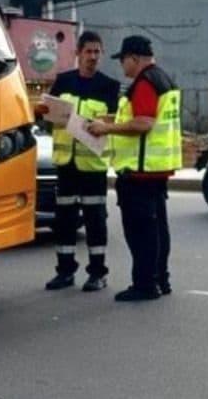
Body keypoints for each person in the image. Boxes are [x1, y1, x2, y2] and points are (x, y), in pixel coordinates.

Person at [86, 35, 182, 302]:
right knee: (157, 228)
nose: (122, 67)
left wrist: (107, 128)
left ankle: (144, 284)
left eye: (123, 61)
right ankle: (161, 279)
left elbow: (144, 123)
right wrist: (110, 120)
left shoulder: (144, 83)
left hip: (140, 170)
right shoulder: (163, 79)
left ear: (134, 58)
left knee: (141, 231)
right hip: (155, 169)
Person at [36, 31, 121, 292]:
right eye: (89, 52)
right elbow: (49, 119)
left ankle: (97, 273)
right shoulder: (63, 81)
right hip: (66, 164)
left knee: (95, 220)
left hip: (92, 165)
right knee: (65, 219)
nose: (93, 57)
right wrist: (42, 112)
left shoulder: (109, 86)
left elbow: (112, 124)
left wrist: (100, 125)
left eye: (98, 52)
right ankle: (64, 271)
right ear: (78, 53)